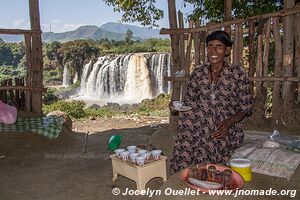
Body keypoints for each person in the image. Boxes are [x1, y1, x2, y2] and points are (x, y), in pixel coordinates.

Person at [170, 30, 253, 174]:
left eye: (219, 46)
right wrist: (175, 107)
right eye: (210, 46)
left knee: (206, 120)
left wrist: (229, 123)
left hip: (225, 125)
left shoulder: (237, 73)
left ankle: (203, 166)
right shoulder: (198, 72)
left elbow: (246, 108)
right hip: (199, 123)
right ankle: (182, 168)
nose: (213, 50)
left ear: (227, 50)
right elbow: (189, 103)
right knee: (189, 116)